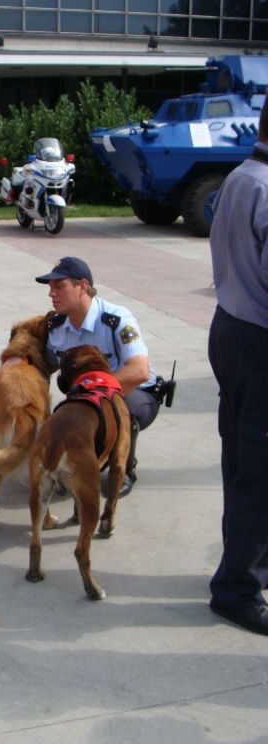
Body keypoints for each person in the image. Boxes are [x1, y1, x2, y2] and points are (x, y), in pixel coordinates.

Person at [207, 96, 268, 636]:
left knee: (243, 462)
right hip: (258, 340)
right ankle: (238, 588)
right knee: (258, 473)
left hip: (232, 327)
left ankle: (243, 569)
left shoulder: (241, 177)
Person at [35, 256, 165, 497]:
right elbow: (45, 365)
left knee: (122, 410)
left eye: (59, 286)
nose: (51, 294)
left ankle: (124, 469)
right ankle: (70, 468)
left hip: (135, 393)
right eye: (50, 288)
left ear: (82, 286)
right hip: (85, 398)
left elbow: (139, 371)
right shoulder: (56, 326)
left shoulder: (116, 319)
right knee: (63, 416)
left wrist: (93, 392)